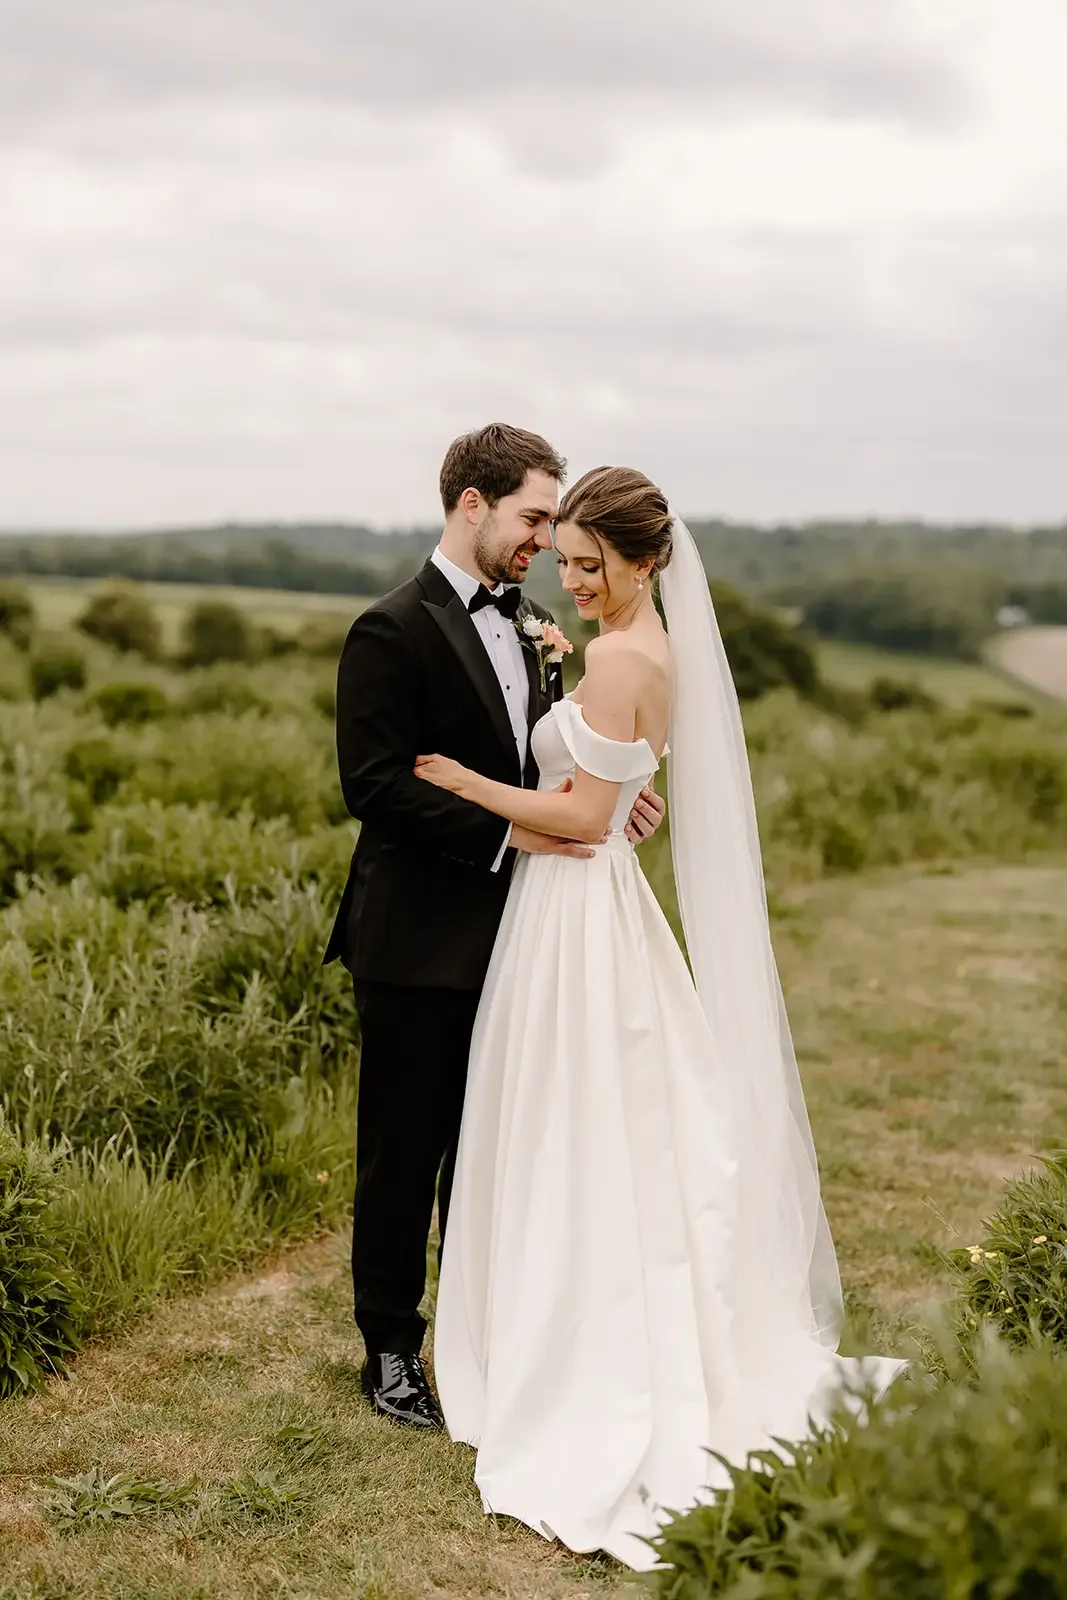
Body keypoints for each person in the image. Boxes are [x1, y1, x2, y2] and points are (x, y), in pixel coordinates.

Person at [419, 466, 905, 1571]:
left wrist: (463, 782)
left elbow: (584, 816)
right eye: (569, 562)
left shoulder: (621, 655)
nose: (574, 582)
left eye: (592, 566)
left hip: (575, 911)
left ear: (645, 561)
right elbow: (626, 790)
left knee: (577, 1118)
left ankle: (582, 1350)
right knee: (601, 1120)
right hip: (590, 910)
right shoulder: (648, 653)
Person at [323, 427, 665, 1429]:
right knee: (403, 1148)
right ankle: (387, 1347)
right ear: (468, 503)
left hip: (526, 938)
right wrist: (513, 836)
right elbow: (374, 786)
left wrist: (606, 798)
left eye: (551, 524)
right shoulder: (386, 630)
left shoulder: (531, 622)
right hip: (417, 938)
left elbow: (541, 769)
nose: (542, 539)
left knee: (500, 1148)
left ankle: (488, 1337)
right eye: (530, 518)